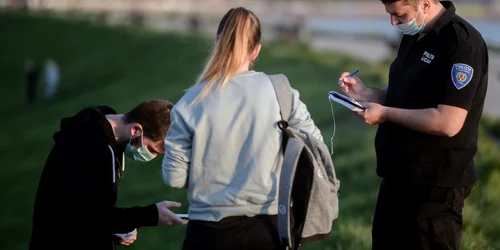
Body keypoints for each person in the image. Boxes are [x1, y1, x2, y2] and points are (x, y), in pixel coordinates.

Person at [162, 7, 323, 250]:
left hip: (209, 232)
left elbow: (174, 178)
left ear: (218, 42)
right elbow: (316, 147)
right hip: (271, 227)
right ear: (256, 49)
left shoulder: (189, 103)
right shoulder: (282, 93)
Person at [337, 1, 488, 249]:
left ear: (425, 4)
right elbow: (402, 93)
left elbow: (448, 121)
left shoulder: (462, 44)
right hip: (397, 178)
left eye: (399, 15)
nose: (393, 22)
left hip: (435, 188)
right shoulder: (414, 35)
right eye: (390, 15)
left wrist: (384, 114)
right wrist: (366, 95)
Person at [29, 99, 188, 250]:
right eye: (152, 149)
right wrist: (151, 215)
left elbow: (83, 212)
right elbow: (90, 216)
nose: (151, 156)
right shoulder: (91, 146)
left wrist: (116, 230)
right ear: (136, 130)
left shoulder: (107, 142)